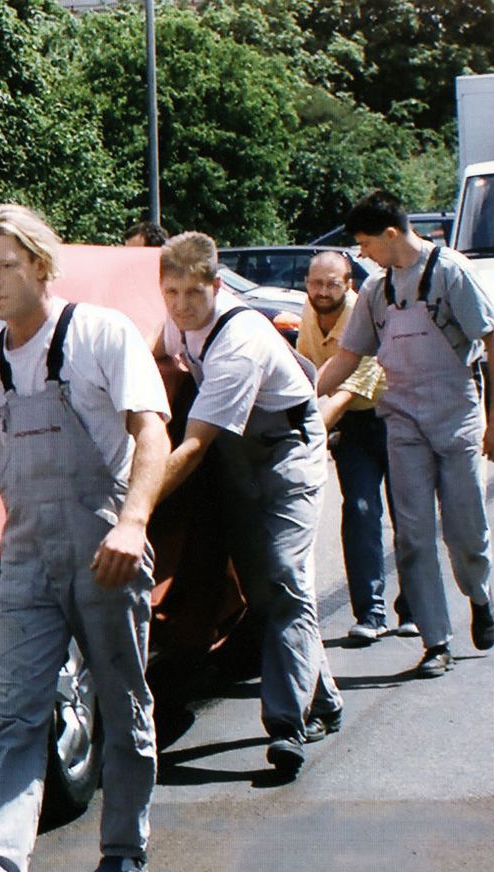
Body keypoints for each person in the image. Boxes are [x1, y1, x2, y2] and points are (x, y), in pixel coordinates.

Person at [0, 204, 171, 872]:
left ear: (38, 264)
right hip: (24, 554)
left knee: (121, 702)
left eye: (5, 266)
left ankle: (124, 848)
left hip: (104, 543)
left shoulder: (98, 334)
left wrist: (133, 522)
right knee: (17, 715)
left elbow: (149, 433)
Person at [154, 232, 342, 773]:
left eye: (194, 292)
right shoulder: (179, 320)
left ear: (217, 285)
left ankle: (286, 726)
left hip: (286, 450)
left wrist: (134, 510)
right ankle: (323, 696)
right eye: (171, 292)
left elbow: (193, 447)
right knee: (267, 591)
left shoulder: (238, 340)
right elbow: (154, 354)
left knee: (285, 577)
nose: (182, 305)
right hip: (238, 453)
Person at [315, 190, 494, 679]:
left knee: (464, 529)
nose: (360, 254)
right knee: (413, 536)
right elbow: (347, 356)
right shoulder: (376, 291)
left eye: (365, 243)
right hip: (402, 419)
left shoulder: (451, 273)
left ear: (389, 235)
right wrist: (302, 397)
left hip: (456, 414)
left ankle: (479, 593)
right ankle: (435, 641)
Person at [298, 250, 414, 643]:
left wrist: (306, 430)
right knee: (360, 511)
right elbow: (307, 374)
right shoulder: (307, 313)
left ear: (348, 283)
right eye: (316, 282)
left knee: (406, 515)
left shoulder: (362, 312)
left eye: (333, 283)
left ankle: (413, 609)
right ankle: (370, 612)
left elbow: (349, 387)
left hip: (392, 416)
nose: (323, 291)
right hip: (354, 429)